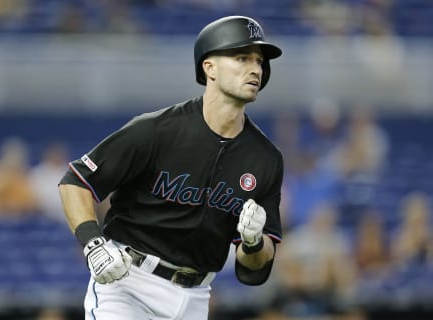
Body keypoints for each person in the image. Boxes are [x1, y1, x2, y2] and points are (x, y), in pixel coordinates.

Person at [58, 15, 284, 320]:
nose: (255, 68)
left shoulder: (265, 159)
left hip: (196, 298)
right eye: (242, 57)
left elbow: (255, 266)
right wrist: (93, 244)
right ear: (210, 67)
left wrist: (254, 242)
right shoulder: (156, 130)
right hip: (128, 284)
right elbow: (76, 182)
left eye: (259, 61)